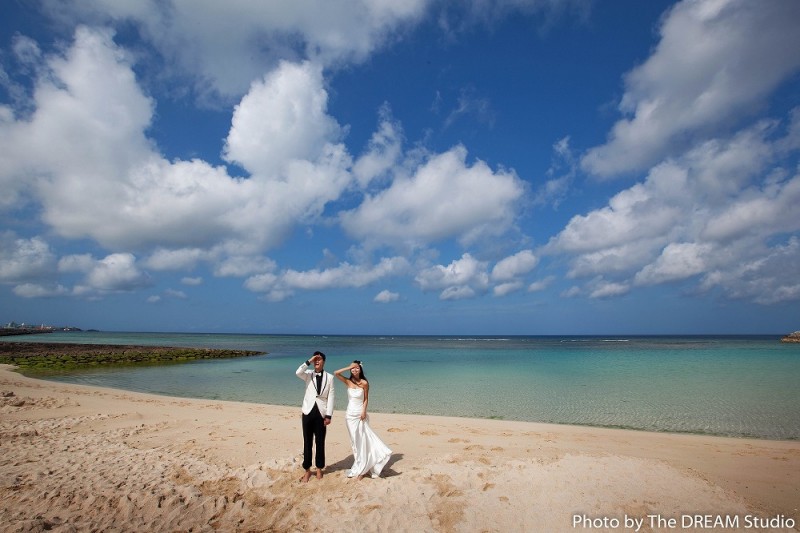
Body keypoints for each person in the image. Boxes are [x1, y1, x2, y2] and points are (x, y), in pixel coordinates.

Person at [334, 360, 392, 480]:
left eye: (357, 368)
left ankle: (364, 469)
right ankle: (360, 465)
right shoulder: (348, 381)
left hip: (360, 415)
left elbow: (366, 399)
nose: (355, 370)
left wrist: (364, 411)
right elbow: (336, 373)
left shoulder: (365, 383)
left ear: (361, 369)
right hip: (349, 415)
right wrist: (348, 366)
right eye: (353, 368)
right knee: (355, 442)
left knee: (363, 440)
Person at [296, 351, 335, 482]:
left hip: (321, 413)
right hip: (307, 412)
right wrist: (309, 361)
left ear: (324, 361)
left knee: (320, 442)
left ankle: (319, 468)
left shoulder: (330, 377)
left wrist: (328, 415)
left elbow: (331, 398)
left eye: (319, 359)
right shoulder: (308, 374)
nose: (317, 361)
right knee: (307, 442)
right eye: (315, 360)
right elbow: (298, 372)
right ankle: (307, 470)